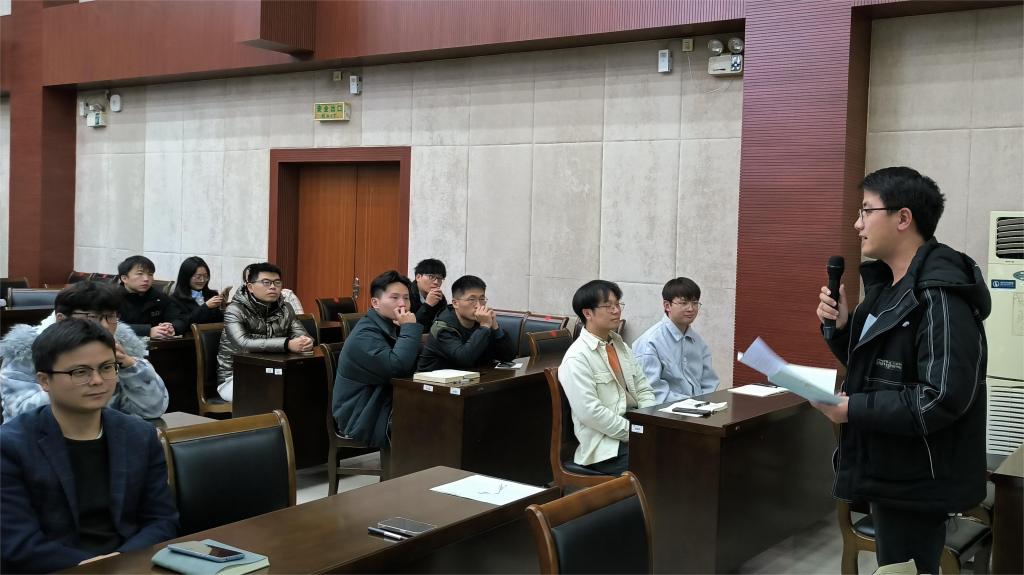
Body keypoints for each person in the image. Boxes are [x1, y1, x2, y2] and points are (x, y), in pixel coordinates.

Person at [814, 166, 989, 574]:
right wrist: (843, 328)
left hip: (917, 479)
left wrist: (852, 409)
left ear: (903, 218)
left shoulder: (940, 295)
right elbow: (878, 368)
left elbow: (941, 397)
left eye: (866, 210)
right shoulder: (888, 290)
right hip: (889, 468)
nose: (857, 224)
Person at [0, 319, 178, 573]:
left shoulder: (139, 435)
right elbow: (18, 542)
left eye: (107, 367)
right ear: (44, 380)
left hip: (130, 565)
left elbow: (162, 520)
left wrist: (119, 562)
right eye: (80, 372)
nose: (97, 380)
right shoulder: (11, 445)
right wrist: (90, 567)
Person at [1, 281, 169, 420]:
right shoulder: (26, 351)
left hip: (107, 438)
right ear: (61, 319)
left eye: (111, 316)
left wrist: (130, 365)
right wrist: (72, 375)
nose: (105, 326)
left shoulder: (123, 347)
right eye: (92, 317)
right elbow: (21, 412)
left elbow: (153, 410)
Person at [558, 280, 657, 475]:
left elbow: (644, 389)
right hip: (605, 448)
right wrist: (634, 431)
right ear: (588, 313)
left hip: (635, 430)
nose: (616, 310)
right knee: (667, 459)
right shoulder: (577, 357)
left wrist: (648, 424)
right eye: (608, 306)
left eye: (618, 304)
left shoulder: (620, 346)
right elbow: (590, 412)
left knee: (684, 447)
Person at [333, 270, 423, 448]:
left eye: (406, 298)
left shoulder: (393, 325)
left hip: (384, 401)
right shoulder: (365, 334)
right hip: (363, 413)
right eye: (394, 298)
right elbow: (397, 367)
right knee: (431, 419)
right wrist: (409, 329)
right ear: (375, 303)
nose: (402, 304)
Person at [216, 262, 313, 402]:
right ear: (250, 287)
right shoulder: (235, 310)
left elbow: (302, 334)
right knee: (275, 394)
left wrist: (306, 342)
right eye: (266, 282)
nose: (273, 287)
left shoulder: (286, 308)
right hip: (235, 376)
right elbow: (243, 343)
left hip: (272, 371)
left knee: (304, 388)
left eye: (277, 282)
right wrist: (287, 344)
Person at [632, 277, 719, 404]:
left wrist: (703, 405)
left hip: (699, 409)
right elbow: (651, 391)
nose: (691, 308)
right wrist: (691, 405)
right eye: (684, 303)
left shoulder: (698, 341)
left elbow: (709, 382)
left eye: (695, 303)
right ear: (667, 306)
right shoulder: (650, 342)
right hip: (665, 411)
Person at [417, 275, 516, 371]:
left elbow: (508, 356)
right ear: (455, 303)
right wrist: (484, 326)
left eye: (482, 299)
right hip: (431, 380)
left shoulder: (481, 321)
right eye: (472, 299)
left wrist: (495, 326)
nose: (478, 305)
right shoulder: (443, 328)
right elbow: (464, 359)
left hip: (474, 376)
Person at [116, 255, 187, 338]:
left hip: (158, 344)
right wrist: (147, 331)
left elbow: (181, 318)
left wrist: (172, 327)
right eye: (140, 274)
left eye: (150, 274)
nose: (146, 279)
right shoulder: (112, 298)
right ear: (124, 278)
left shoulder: (159, 297)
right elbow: (109, 326)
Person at [170, 256, 225, 325]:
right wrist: (206, 307)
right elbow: (183, 323)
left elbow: (220, 321)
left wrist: (223, 306)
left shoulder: (212, 295)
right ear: (186, 277)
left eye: (205, 276)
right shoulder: (174, 300)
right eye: (198, 277)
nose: (202, 280)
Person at [410, 258, 448, 328]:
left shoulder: (439, 296)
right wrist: (427, 305)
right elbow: (410, 326)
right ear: (418, 277)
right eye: (431, 277)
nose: (436, 282)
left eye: (440, 278)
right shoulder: (407, 294)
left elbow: (443, 322)